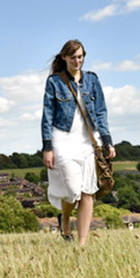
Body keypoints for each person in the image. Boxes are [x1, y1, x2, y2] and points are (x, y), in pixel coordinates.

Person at [41, 40, 116, 246]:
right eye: (73, 57)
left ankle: (82, 244)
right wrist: (47, 147)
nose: (77, 60)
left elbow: (101, 111)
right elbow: (47, 116)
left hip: (88, 140)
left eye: (80, 56)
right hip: (62, 138)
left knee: (88, 190)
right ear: (64, 57)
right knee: (73, 190)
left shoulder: (92, 79)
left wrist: (108, 141)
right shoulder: (54, 82)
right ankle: (65, 218)